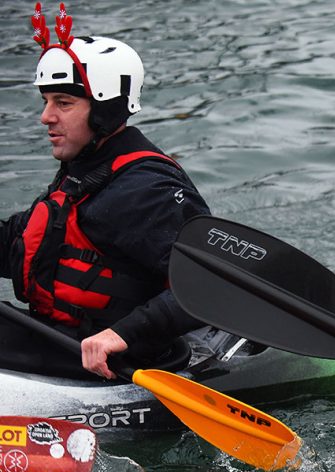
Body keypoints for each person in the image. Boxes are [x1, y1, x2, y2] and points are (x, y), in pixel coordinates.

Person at [0, 3, 210, 380]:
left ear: (105, 111)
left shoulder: (144, 189)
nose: (46, 116)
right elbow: (22, 243)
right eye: (46, 101)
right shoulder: (85, 172)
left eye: (63, 103)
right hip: (60, 340)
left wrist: (121, 335)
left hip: (120, 363)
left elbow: (211, 286)